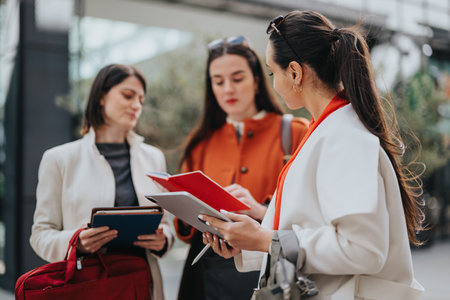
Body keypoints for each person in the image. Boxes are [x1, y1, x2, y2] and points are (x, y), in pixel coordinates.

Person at [201, 11, 425, 299]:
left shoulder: (344, 137)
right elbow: (310, 228)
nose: (273, 84)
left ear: (294, 73)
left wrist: (265, 238)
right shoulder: (327, 130)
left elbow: (363, 250)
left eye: (272, 73)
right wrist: (250, 242)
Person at [174, 35, 309, 300]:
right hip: (207, 274)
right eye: (218, 81)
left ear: (257, 79)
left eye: (237, 79)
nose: (228, 90)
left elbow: (310, 214)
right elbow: (184, 229)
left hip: (270, 268)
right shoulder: (199, 143)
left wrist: (260, 211)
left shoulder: (294, 133)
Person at [30, 64, 173, 300]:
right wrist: (76, 243)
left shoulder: (154, 157)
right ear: (101, 97)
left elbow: (165, 224)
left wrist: (163, 239)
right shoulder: (59, 159)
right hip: (87, 287)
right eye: (128, 95)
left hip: (141, 286)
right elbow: (40, 235)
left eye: (141, 99)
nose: (136, 105)